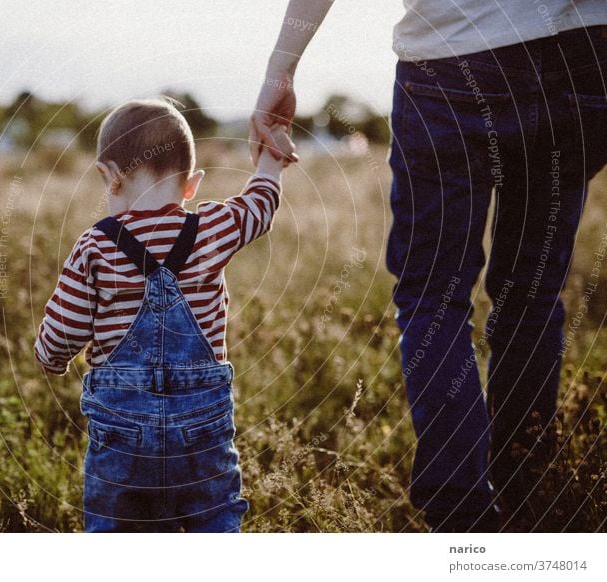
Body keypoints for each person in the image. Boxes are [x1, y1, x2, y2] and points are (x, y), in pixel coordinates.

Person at [251, 1, 607, 531]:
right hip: (581, 56)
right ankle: (526, 497)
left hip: (452, 59)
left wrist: (281, 68)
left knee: (434, 295)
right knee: (530, 295)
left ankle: (462, 511)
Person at [34, 97, 296, 532]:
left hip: (122, 431)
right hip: (201, 426)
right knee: (211, 522)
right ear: (191, 185)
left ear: (108, 176)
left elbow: (64, 330)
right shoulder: (212, 229)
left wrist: (51, 360)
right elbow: (260, 205)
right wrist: (271, 159)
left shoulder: (95, 247)